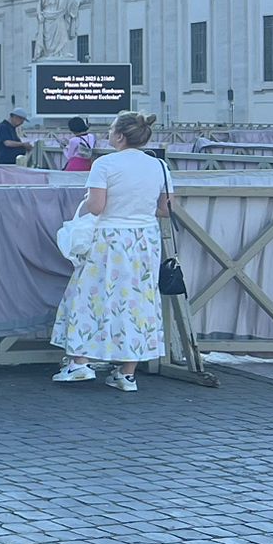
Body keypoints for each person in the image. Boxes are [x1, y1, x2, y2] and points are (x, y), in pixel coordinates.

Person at [52, 111, 171, 393]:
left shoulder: (105, 164)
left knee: (90, 295)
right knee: (138, 300)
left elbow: (96, 207)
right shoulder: (160, 166)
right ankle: (127, 373)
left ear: (119, 136)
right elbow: (166, 208)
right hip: (145, 240)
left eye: (111, 129)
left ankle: (80, 362)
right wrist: (139, 211)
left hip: (109, 238)